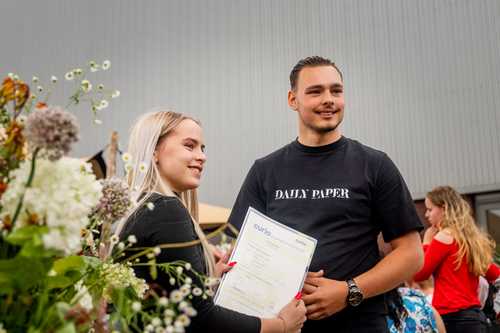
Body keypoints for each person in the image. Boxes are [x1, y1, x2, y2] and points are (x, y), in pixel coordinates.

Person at [228, 56, 424, 332]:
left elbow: (412, 254)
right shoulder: (265, 171)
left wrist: (349, 291)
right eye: (315, 91)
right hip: (286, 325)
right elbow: (238, 250)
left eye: (336, 90)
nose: (329, 99)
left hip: (360, 325)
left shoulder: (374, 164)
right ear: (292, 99)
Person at [116, 110, 306, 333]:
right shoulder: (166, 210)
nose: (202, 156)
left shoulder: (142, 207)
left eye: (202, 148)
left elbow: (168, 295)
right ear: (154, 151)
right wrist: (281, 326)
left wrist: (205, 278)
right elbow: (201, 318)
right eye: (189, 145)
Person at [414, 185, 500, 333]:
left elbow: (420, 274)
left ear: (444, 208)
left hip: (452, 317)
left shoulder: (443, 237)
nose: (427, 215)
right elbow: (495, 274)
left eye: (430, 209)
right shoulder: (470, 240)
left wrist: (427, 242)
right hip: (475, 317)